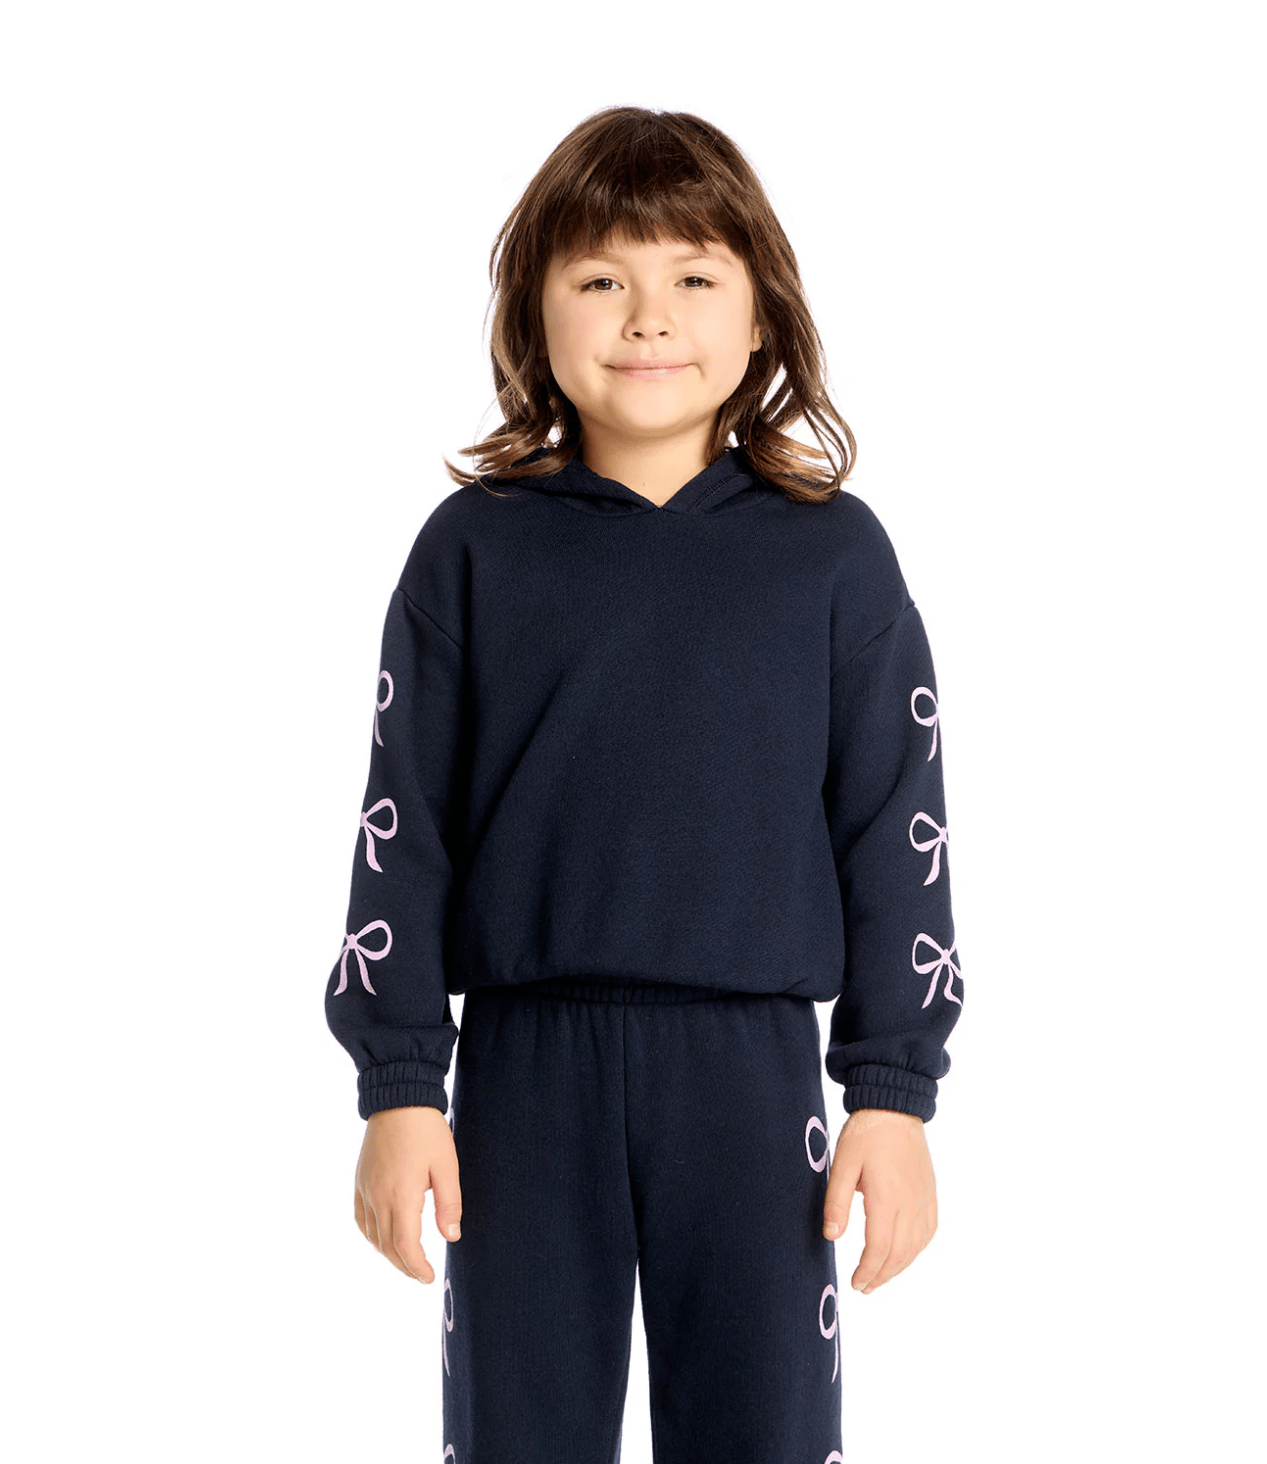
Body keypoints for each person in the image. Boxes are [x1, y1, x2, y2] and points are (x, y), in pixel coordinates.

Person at [323, 104, 965, 1464]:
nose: (649, 317)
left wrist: (893, 1092)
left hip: (751, 1078)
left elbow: (896, 827)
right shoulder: (472, 552)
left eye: (694, 277)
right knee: (518, 1436)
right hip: (522, 1073)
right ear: (535, 312)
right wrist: (400, 1082)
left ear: (762, 315)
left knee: (763, 1432)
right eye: (602, 278)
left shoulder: (834, 560)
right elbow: (403, 826)